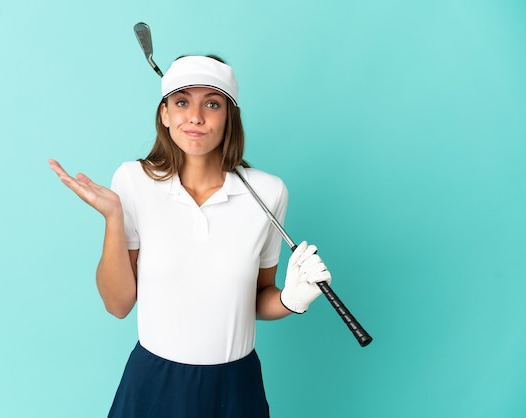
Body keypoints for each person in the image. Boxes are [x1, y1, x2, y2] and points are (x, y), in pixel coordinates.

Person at [48, 55, 332, 418]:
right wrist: (113, 217)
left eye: (211, 103)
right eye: (182, 102)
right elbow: (118, 305)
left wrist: (293, 300)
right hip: (154, 380)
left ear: (229, 116)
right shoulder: (133, 181)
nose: (195, 116)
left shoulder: (269, 192)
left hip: (235, 383)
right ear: (164, 114)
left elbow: (257, 299)